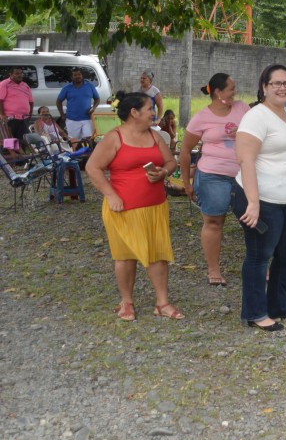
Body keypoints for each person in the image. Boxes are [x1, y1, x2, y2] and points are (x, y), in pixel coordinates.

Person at [84, 91, 181, 321]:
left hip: (155, 206)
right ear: (134, 113)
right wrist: (110, 194)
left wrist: (164, 172)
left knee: (158, 254)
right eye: (149, 109)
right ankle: (126, 302)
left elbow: (170, 161)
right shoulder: (114, 137)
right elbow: (92, 167)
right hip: (123, 208)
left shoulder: (155, 136)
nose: (154, 112)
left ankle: (162, 302)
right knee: (125, 256)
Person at [233, 64, 286, 332]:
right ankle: (255, 312)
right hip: (261, 199)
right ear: (264, 87)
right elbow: (246, 160)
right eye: (275, 83)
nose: (282, 87)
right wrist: (253, 202)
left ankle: (279, 305)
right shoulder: (256, 117)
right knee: (259, 255)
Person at [180, 73, 249, 286]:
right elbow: (185, 150)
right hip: (212, 175)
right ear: (218, 93)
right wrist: (186, 183)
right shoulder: (201, 117)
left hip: (244, 174)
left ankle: (258, 265)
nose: (235, 91)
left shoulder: (242, 108)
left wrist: (245, 132)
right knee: (214, 222)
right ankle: (214, 270)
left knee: (254, 221)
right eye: (231, 88)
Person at [56, 66, 100, 147]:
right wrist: (62, 114)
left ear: (82, 75)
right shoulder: (67, 88)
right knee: (74, 141)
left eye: (79, 74)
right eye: (75, 75)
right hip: (72, 119)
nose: (78, 76)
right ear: (72, 77)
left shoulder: (90, 86)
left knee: (88, 139)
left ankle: (87, 156)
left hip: (87, 118)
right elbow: (58, 101)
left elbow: (97, 99)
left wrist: (93, 108)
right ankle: (75, 156)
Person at [0, 67, 34, 148]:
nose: (20, 75)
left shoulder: (25, 85)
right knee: (10, 141)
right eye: (17, 74)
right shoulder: (4, 84)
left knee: (22, 140)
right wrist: (2, 114)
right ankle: (13, 158)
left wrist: (30, 114)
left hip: (24, 118)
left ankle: (23, 159)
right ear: (11, 74)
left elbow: (31, 101)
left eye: (21, 73)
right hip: (10, 118)